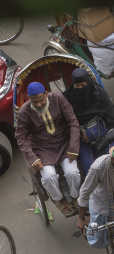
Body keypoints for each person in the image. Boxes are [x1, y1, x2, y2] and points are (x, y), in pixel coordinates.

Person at [15, 82, 81, 216]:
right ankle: (59, 200)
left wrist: (73, 148)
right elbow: (21, 137)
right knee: (48, 176)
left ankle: (75, 196)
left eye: (41, 100)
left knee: (72, 172)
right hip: (41, 148)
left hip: (64, 144)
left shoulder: (58, 99)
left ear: (46, 94)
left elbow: (73, 122)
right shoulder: (24, 111)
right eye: (34, 102)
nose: (39, 104)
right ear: (29, 99)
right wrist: (33, 159)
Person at [63, 68, 114, 176]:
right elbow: (66, 120)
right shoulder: (68, 97)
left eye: (83, 85)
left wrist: (91, 133)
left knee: (111, 160)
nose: (80, 88)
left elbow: (110, 118)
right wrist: (81, 134)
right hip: (82, 136)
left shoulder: (99, 94)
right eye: (77, 86)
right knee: (89, 167)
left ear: (88, 83)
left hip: (105, 131)